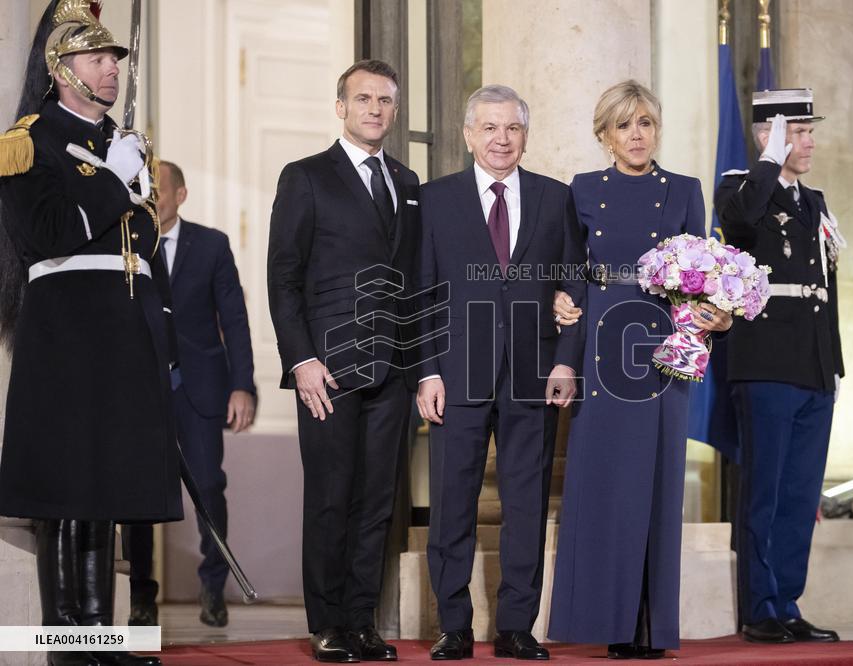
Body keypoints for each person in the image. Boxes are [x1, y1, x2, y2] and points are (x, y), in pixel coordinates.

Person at [0, 2, 180, 665]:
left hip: (124, 329)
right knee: (67, 490)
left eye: (114, 61)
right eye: (99, 60)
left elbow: (147, 247)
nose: (111, 71)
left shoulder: (121, 141)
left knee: (109, 489)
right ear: (62, 69)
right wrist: (112, 178)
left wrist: (166, 337)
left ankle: (101, 640)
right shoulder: (29, 139)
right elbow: (46, 235)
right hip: (67, 330)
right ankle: (67, 645)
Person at [547, 80, 732, 659]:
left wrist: (716, 314)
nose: (636, 135)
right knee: (606, 485)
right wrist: (563, 356)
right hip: (603, 338)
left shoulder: (683, 190)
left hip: (663, 347)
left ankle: (650, 629)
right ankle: (610, 624)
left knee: (657, 485)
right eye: (624, 125)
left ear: (657, 129)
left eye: (646, 123)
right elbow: (571, 280)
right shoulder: (579, 191)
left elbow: (704, 277)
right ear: (604, 135)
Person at [415, 84, 587, 662]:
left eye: (511, 128)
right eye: (488, 128)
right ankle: (454, 627)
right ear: (468, 135)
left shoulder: (555, 198)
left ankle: (517, 626)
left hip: (533, 376)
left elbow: (574, 284)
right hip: (456, 375)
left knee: (526, 505)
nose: (500, 139)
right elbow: (421, 293)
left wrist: (566, 357)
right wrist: (427, 373)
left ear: (525, 135)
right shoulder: (434, 200)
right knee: (452, 505)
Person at [267, 59, 421, 663]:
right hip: (326, 370)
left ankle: (362, 622)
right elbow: (284, 278)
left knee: (377, 501)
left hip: (392, 370)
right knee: (331, 496)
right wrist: (300, 359)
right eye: (364, 99)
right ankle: (326, 623)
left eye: (385, 100)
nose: (375, 110)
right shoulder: (305, 177)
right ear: (341, 108)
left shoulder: (408, 183)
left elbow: (413, 279)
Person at [716, 88, 845, 644]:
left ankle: (788, 601)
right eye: (797, 131)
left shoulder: (812, 202)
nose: (809, 140)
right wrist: (769, 158)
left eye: (809, 130)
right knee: (765, 490)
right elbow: (742, 221)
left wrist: (834, 366)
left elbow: (824, 291)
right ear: (769, 136)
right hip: (766, 364)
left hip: (814, 366)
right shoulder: (740, 189)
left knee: (799, 492)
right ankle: (760, 607)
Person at [123, 160, 256, 629]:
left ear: (180, 195)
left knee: (208, 488)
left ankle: (213, 588)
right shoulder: (126, 242)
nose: (150, 198)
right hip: (139, 390)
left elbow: (234, 319)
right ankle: (141, 595)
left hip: (200, 390)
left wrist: (243, 386)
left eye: (159, 191)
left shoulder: (212, 245)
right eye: (143, 190)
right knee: (137, 494)